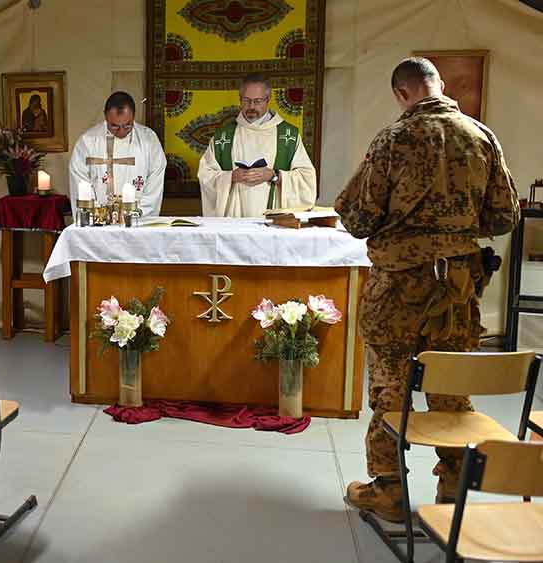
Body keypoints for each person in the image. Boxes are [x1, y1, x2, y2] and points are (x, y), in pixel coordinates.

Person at [336, 57, 520, 523]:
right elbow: (504, 217)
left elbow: (355, 218)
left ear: (402, 94)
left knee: (391, 390)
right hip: (456, 290)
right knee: (451, 385)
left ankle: (390, 491)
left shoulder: (393, 140)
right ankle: (454, 489)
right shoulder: (482, 137)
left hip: (397, 288)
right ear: (439, 86)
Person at [198, 73, 317, 217]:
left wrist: (274, 175)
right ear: (240, 99)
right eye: (247, 100)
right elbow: (205, 175)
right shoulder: (223, 136)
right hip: (234, 219)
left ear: (268, 100)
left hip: (274, 223)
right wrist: (230, 177)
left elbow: (307, 178)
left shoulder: (287, 136)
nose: (251, 106)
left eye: (257, 101)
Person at [69, 91, 167, 218]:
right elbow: (79, 178)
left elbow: (155, 180)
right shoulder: (88, 142)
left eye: (127, 126)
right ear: (105, 117)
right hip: (100, 223)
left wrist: (137, 214)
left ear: (134, 116)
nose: (121, 132)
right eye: (114, 126)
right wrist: (96, 215)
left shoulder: (149, 140)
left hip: (137, 222)